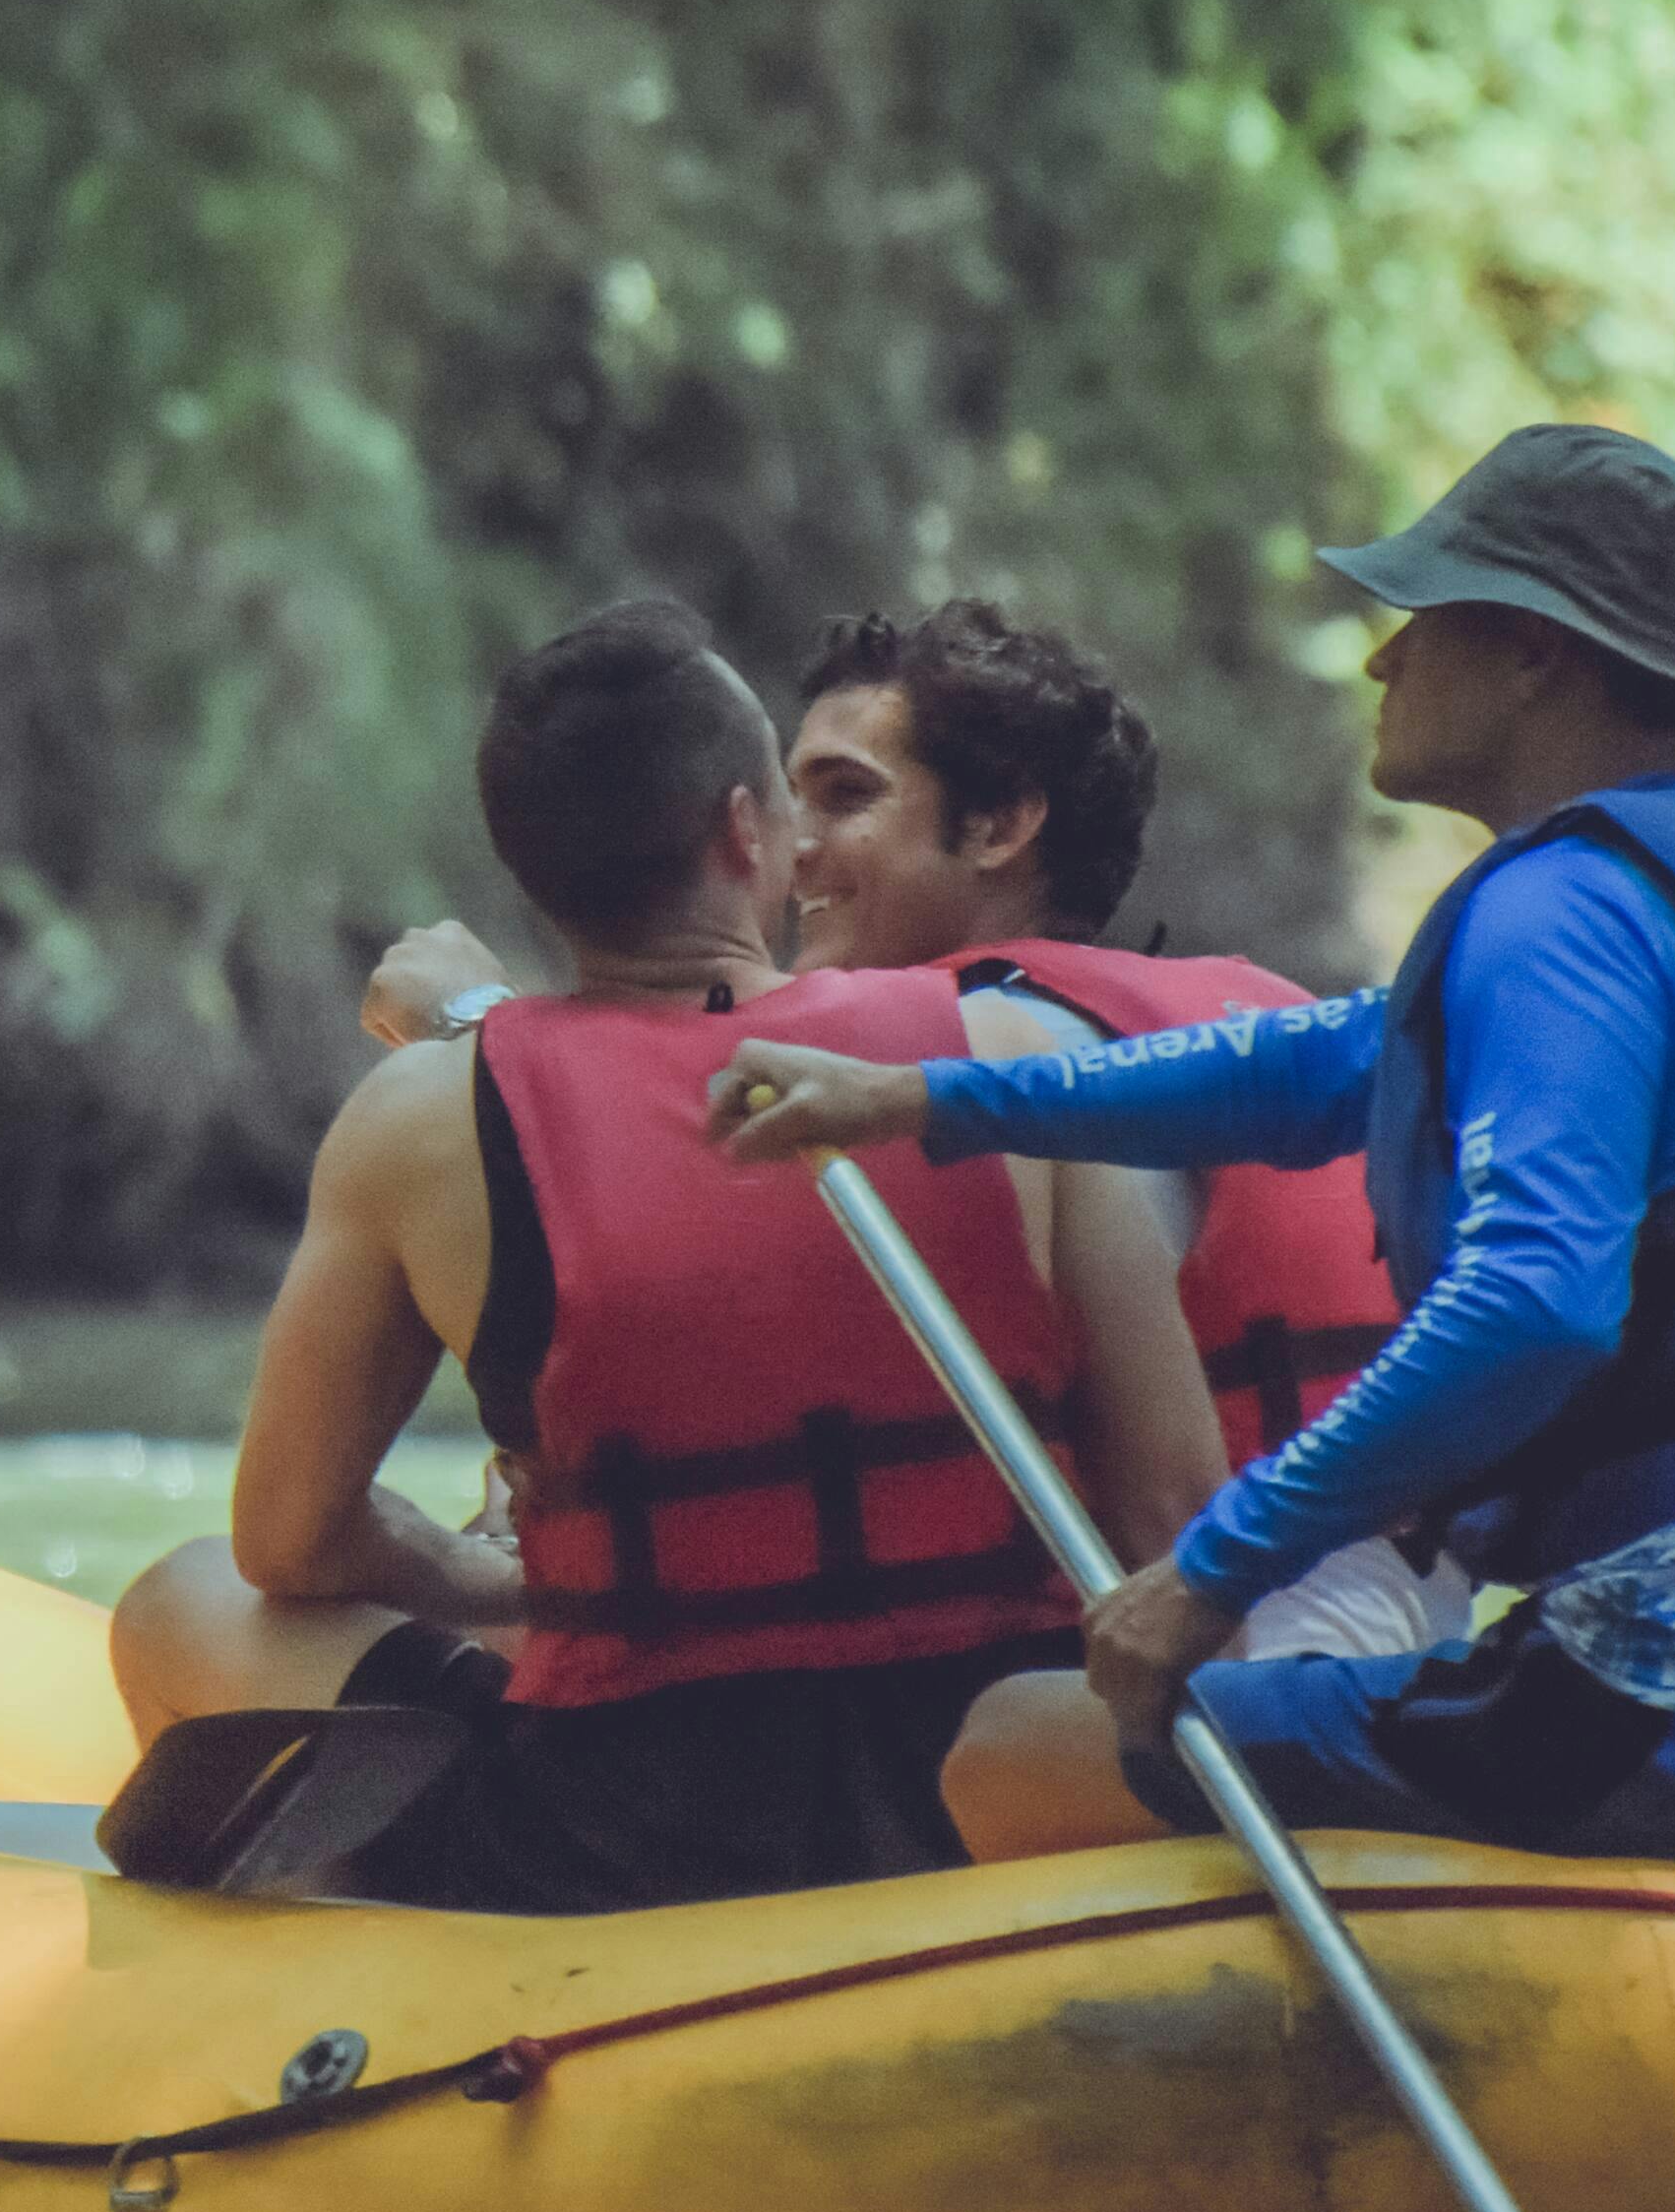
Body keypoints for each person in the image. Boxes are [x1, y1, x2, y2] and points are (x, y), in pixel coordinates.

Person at [713, 425, 1675, 1875]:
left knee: (1016, 1744)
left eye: (1421, 621)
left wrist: (1215, 1567)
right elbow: (1312, 1065)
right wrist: (923, 1101)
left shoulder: (1561, 911)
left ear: (1534, 656)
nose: (1379, 664)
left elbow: (1537, 1302)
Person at [104, 601, 1224, 1915]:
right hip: (982, 1796)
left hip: (613, 1849)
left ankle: (342, 1986)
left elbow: (288, 1539)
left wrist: (480, 1578)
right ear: (747, 831)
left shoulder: (419, 1123)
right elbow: (1174, 1516)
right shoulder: (1019, 1064)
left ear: (532, 867)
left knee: (177, 1600)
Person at [366, 600, 1451, 1664]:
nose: (786, 850)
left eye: (843, 797)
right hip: (1394, 1585)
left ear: (998, 826)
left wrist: (475, 1029)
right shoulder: (1211, 1001)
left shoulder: (996, 1046)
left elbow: (656, 1166)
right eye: (785, 800)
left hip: (1258, 1624)